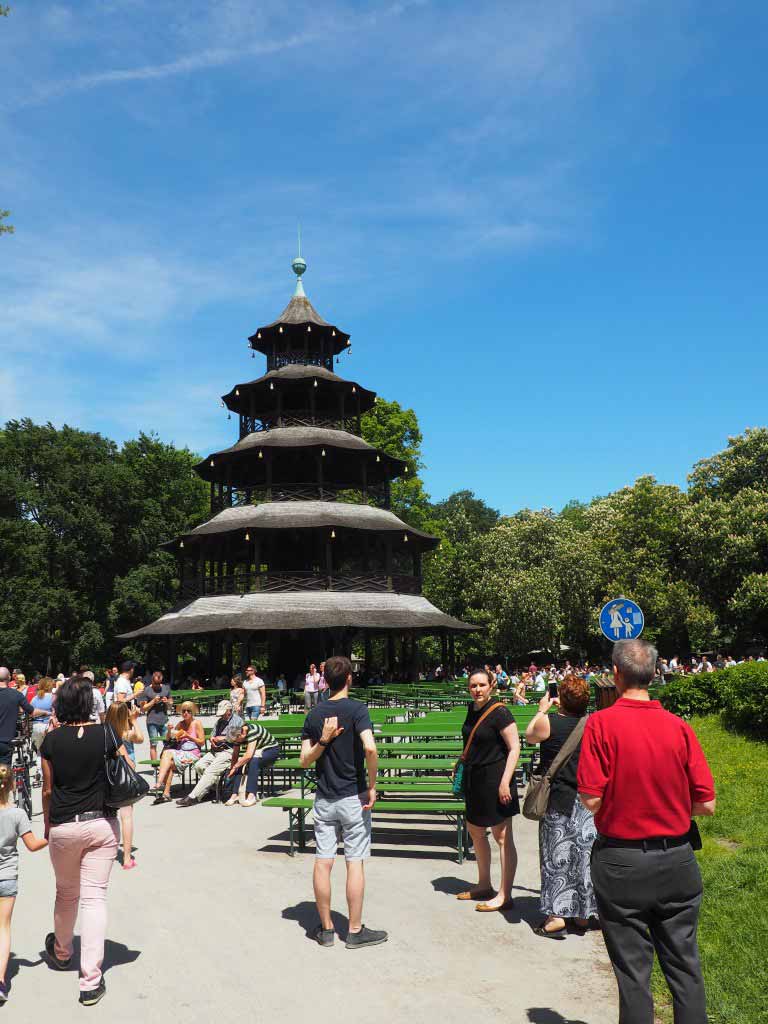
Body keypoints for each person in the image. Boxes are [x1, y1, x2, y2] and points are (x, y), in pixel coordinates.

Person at [578, 639, 716, 1024]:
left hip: (621, 862)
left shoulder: (601, 724)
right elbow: (706, 804)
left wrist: (623, 806)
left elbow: (590, 798)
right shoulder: (679, 728)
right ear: (655, 674)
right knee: (685, 968)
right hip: (678, 860)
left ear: (616, 674)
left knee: (633, 974)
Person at [40, 676, 128, 1006]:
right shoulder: (106, 734)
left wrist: (49, 827)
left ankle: (62, 952)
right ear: (90, 702)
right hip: (101, 824)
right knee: (94, 899)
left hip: (64, 823)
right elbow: (127, 770)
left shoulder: (50, 740)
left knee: (66, 892)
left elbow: (48, 790)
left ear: (60, 703)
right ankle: (90, 980)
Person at [300, 655, 385, 949]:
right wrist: (372, 786)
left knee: (323, 863)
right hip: (353, 797)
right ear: (349, 678)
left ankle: (325, 930)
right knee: (354, 863)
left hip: (325, 798)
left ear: (325, 681)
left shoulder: (314, 714)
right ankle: (355, 930)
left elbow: (303, 760)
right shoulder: (358, 709)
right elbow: (370, 748)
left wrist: (322, 741)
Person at [525, 676, 597, 938]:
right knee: (584, 858)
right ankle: (582, 914)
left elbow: (530, 736)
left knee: (556, 858)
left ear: (560, 698)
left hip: (558, 799)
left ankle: (556, 916)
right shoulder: (593, 724)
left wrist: (542, 709)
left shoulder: (549, 722)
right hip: (587, 800)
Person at [455, 668, 520, 912]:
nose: (477, 690)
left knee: (502, 836)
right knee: (475, 830)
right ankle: (484, 884)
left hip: (496, 778)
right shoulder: (471, 709)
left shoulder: (500, 711)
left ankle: (505, 894)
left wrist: (505, 781)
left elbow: (515, 748)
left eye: (482, 685)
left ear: (491, 685)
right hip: (475, 778)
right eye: (473, 686)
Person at [0, 763, 48, 1003]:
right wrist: (49, 836)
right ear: (10, 786)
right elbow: (32, 845)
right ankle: (0, 981)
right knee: (3, 928)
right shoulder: (17, 814)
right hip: (7, 877)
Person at [175, 701, 238, 808]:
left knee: (210, 771)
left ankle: (193, 797)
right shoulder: (219, 721)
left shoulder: (237, 721)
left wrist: (222, 738)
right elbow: (212, 735)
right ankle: (213, 788)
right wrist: (212, 740)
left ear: (229, 711)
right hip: (215, 750)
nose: (222, 715)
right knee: (199, 766)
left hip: (229, 751)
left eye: (223, 713)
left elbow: (236, 738)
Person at [104, 703, 143, 870]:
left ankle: (106, 852)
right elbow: (140, 739)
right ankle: (126, 858)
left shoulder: (102, 732)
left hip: (104, 778)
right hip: (121, 778)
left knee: (106, 817)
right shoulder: (122, 734)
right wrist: (134, 720)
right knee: (126, 817)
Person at [151, 702, 204, 805]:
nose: (186, 713)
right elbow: (168, 739)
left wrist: (188, 736)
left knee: (167, 754)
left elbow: (201, 742)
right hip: (180, 752)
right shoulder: (180, 724)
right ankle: (166, 793)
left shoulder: (197, 723)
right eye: (183, 711)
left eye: (188, 711)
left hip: (192, 753)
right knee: (169, 762)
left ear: (192, 712)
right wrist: (169, 731)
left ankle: (159, 782)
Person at [221, 720, 281, 806]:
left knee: (253, 761)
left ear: (242, 735)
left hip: (270, 750)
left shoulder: (253, 731)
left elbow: (249, 755)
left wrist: (235, 766)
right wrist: (233, 768)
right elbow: (235, 754)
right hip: (257, 752)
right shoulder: (237, 734)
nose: (236, 742)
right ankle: (235, 795)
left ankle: (251, 795)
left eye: (236, 740)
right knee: (240, 763)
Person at [0, 666, 47, 765]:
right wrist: (46, 712)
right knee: (4, 774)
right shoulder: (16, 695)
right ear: (9, 678)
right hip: (5, 741)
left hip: (5, 741)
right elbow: (32, 711)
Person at [137, 670, 171, 761]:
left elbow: (171, 705)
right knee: (154, 744)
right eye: (156, 683)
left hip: (164, 720)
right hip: (152, 721)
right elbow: (143, 709)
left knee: (168, 743)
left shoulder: (166, 688)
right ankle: (155, 768)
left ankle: (163, 761)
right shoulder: (146, 690)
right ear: (152, 680)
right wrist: (153, 702)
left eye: (159, 683)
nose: (157, 685)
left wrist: (167, 702)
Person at [30, 676, 55, 752]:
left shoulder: (34, 698)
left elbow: (30, 712)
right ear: (50, 686)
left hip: (36, 727)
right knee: (51, 752)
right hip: (49, 727)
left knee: (39, 753)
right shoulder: (54, 697)